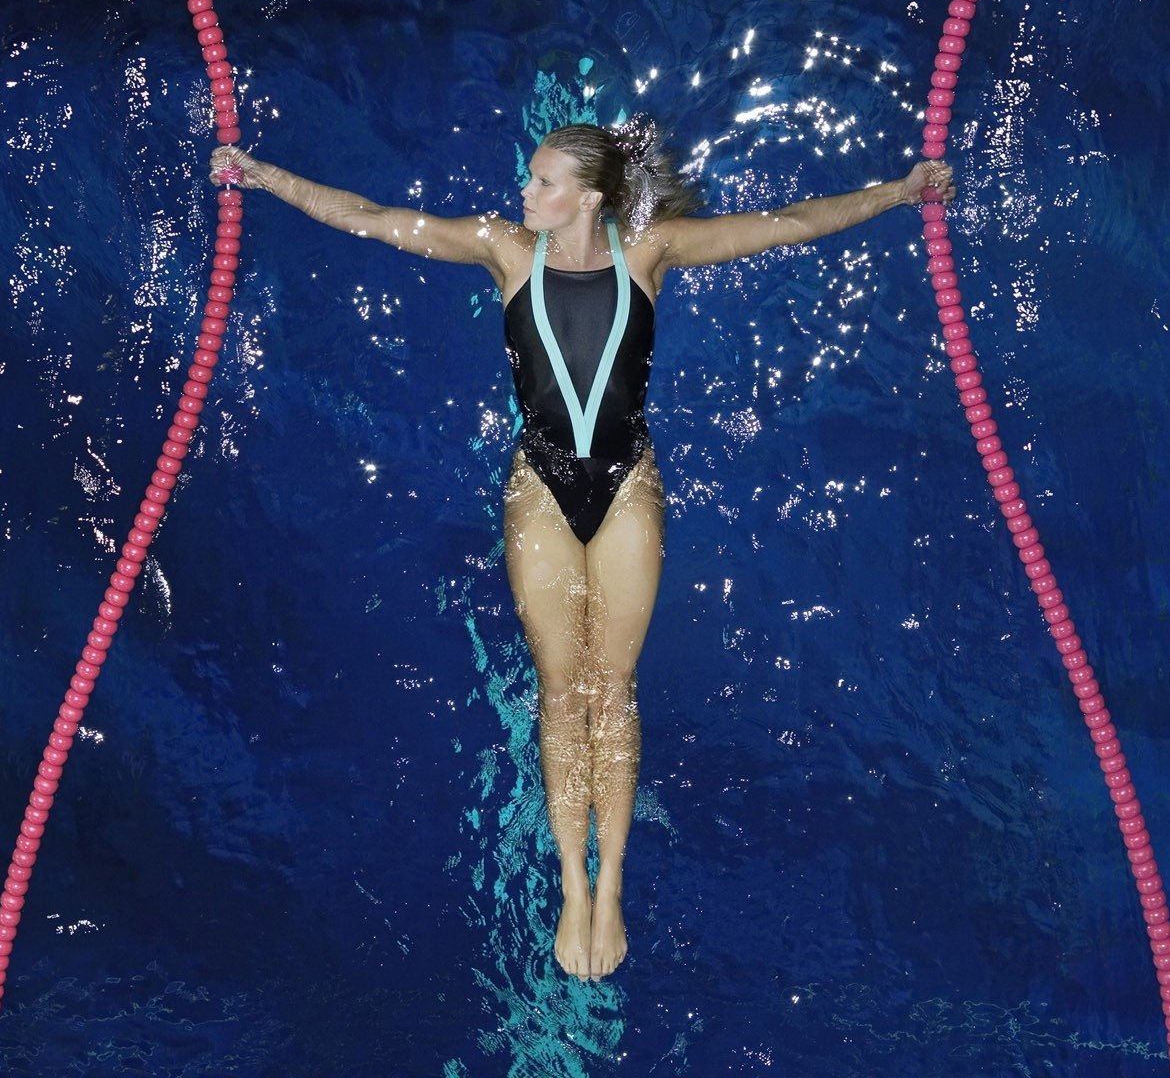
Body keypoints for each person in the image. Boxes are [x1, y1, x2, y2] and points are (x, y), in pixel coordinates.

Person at [209, 123, 954, 981]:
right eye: (530, 179)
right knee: (565, 691)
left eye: (544, 182)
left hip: (628, 483)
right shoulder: (503, 253)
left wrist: (899, 192)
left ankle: (614, 890)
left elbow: (789, 222)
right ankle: (573, 885)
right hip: (542, 483)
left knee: (617, 686)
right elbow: (374, 217)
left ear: (590, 198)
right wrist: (263, 174)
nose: (525, 193)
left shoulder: (651, 253)